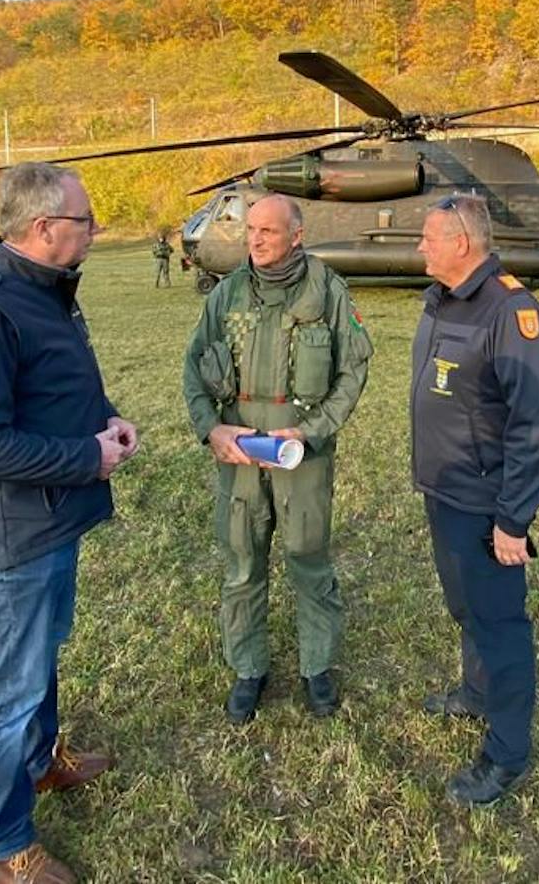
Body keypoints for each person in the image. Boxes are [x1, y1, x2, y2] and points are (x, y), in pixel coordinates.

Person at [0, 162, 139, 884]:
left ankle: (43, 760)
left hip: (51, 520)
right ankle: (5, 843)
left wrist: (104, 420)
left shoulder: (47, 295)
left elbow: (56, 386)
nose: (95, 230)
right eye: (86, 220)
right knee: (11, 688)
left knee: (41, 655)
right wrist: (85, 457)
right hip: (15, 533)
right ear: (46, 228)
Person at [182, 194, 372, 724]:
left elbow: (354, 370)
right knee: (243, 562)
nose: (257, 240)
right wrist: (211, 428)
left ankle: (317, 668)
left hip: (301, 452)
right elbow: (194, 367)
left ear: (297, 235)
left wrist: (310, 431)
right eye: (252, 231)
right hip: (239, 451)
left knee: (309, 559)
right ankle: (249, 669)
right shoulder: (227, 295)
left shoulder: (328, 291)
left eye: (268, 230)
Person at [411, 193, 539, 807]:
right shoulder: (443, 300)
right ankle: (476, 693)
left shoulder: (509, 309)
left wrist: (513, 520)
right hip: (444, 490)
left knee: (499, 624)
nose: (420, 246)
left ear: (461, 245)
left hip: (484, 502)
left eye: (429, 237)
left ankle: (508, 754)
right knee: (465, 608)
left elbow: (534, 422)